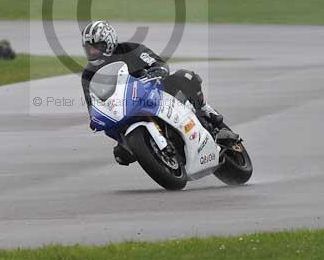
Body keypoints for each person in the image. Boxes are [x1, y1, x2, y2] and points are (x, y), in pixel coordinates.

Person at [80, 20, 238, 165]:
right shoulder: (89, 74)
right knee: (121, 154)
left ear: (109, 42)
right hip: (123, 108)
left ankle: (206, 112)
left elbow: (157, 63)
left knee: (184, 76)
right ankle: (142, 147)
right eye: (88, 48)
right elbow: (92, 104)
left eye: (97, 46)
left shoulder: (131, 49)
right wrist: (95, 118)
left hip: (152, 91)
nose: (92, 51)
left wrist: (156, 71)